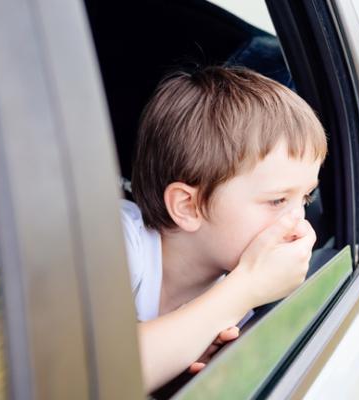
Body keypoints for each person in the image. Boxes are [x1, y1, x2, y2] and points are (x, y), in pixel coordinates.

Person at [122, 66, 327, 392]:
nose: (299, 224)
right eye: (277, 201)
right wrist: (246, 288)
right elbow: (93, 375)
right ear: (189, 206)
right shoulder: (118, 244)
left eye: (306, 197)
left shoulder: (236, 292)